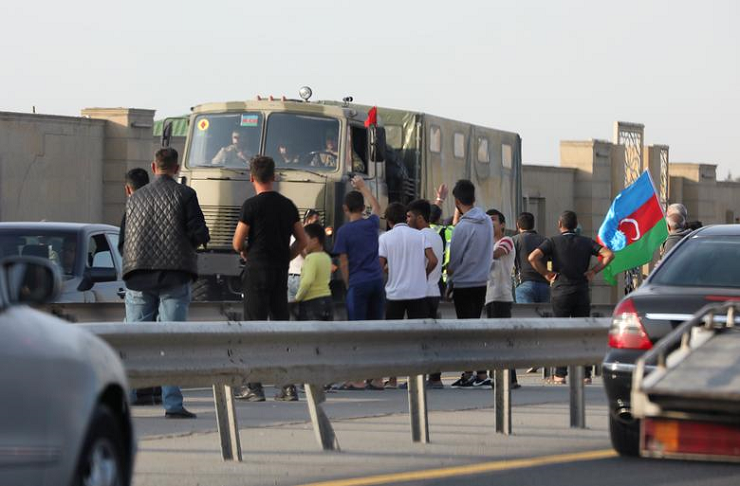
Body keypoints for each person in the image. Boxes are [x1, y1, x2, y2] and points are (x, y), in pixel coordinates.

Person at [120, 147, 210, 419]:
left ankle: (129, 396)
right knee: (172, 339)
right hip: (174, 274)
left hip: (137, 275)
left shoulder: (135, 198)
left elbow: (123, 240)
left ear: (153, 166)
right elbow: (199, 233)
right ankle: (172, 404)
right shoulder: (186, 194)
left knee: (135, 340)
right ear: (177, 167)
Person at [232, 156, 308, 402]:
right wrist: (287, 256)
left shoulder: (250, 206)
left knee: (254, 328)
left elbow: (236, 242)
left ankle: (253, 386)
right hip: (279, 272)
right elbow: (303, 240)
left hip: (256, 271)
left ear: (251, 177)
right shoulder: (288, 205)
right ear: (274, 177)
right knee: (280, 328)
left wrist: (246, 250)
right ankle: (287, 386)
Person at [528, 210, 614, 384]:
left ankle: (560, 374)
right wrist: (593, 271)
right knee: (583, 332)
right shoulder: (586, 242)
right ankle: (585, 374)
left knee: (561, 332)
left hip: (561, 291)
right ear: (576, 226)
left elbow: (533, 257)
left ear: (560, 224)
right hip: (581, 291)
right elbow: (608, 254)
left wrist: (547, 274)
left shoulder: (552, 242)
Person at [332, 176, 385, 390]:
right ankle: (378, 378)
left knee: (357, 332)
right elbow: (377, 207)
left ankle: (358, 378)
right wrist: (364, 187)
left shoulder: (344, 232)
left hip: (358, 283)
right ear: (362, 207)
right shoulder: (371, 224)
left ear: (345, 209)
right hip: (376, 281)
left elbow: (343, 262)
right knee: (375, 331)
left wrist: (347, 283)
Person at [380, 202, 437, 389]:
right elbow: (433, 260)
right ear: (405, 217)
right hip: (418, 293)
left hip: (394, 294)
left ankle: (393, 378)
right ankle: (416, 378)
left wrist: (391, 272)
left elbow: (380, 265)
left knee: (392, 339)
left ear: (389, 221)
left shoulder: (385, 238)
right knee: (417, 338)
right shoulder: (420, 236)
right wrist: (424, 274)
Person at [119, 167, 162, 406]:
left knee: (136, 337)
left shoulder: (132, 207)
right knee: (160, 338)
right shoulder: (167, 202)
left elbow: (123, 245)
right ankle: (154, 389)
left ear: (128, 189)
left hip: (138, 278)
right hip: (167, 279)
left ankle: (138, 391)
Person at [446, 180, 494, 389]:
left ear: (457, 201)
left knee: (466, 331)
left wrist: (449, 276)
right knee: (476, 327)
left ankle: (468, 373)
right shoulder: (487, 222)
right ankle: (481, 372)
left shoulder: (463, 227)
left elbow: (454, 258)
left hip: (464, 283)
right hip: (482, 281)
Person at [407, 198, 445, 389]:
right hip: (434, 291)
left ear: (420, 218)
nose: (407, 220)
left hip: (423, 292)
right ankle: (435, 377)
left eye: (410, 216)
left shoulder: (421, 236)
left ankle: (421, 379)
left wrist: (420, 276)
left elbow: (432, 261)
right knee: (431, 336)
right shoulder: (436, 235)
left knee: (420, 337)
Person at [484, 209, 519, 388]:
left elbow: (497, 254)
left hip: (500, 295)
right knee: (496, 339)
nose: (490, 223)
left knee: (502, 339)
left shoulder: (507, 241)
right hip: (489, 296)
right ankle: (504, 377)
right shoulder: (487, 244)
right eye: (487, 220)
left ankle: (508, 379)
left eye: (494, 220)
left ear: (503, 224)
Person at [294, 223, 333, 321]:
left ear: (315, 241)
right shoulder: (326, 257)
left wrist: (298, 298)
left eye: (305, 238)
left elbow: (307, 281)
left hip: (312, 302)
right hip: (327, 299)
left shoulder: (310, 258)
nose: (303, 242)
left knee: (309, 335)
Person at [512, 212, 550, 304]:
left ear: (517, 224)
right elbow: (550, 262)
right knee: (544, 316)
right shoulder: (545, 240)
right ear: (533, 224)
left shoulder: (515, 240)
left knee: (527, 317)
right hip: (544, 285)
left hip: (524, 284)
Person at [288, 209, 321, 305]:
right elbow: (304, 253)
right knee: (306, 311)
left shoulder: (294, 233)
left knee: (290, 311)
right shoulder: (307, 236)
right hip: (303, 277)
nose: (317, 224)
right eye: (316, 220)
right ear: (309, 220)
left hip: (290, 276)